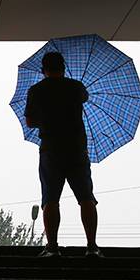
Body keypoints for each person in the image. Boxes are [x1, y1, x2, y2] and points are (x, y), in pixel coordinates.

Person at [24, 51, 101, 258]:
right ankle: (92, 247)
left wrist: (48, 119)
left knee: (50, 199)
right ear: (63, 67)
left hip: (51, 149)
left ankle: (52, 247)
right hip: (76, 148)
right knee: (86, 197)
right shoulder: (76, 87)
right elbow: (84, 98)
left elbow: (30, 121)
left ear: (43, 70)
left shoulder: (36, 90)